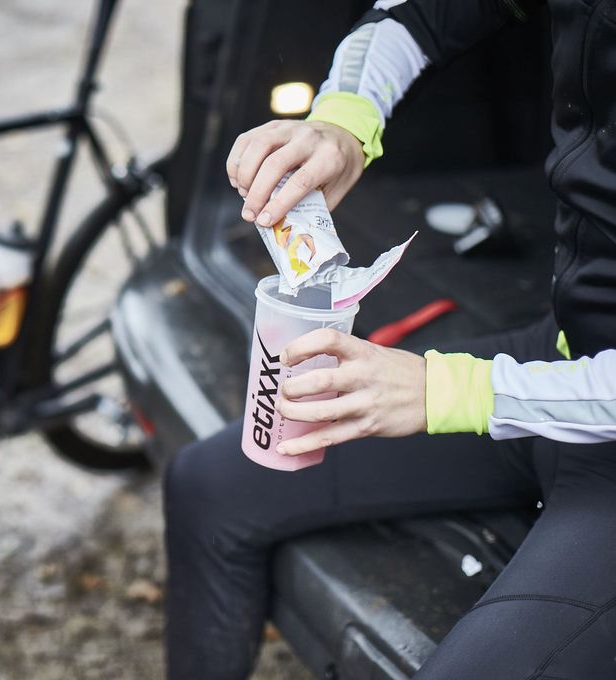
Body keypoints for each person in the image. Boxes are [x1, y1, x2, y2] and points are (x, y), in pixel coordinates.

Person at [164, 0, 616, 678]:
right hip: (564, 359)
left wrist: (447, 389)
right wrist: (341, 124)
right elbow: (419, 13)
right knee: (209, 486)